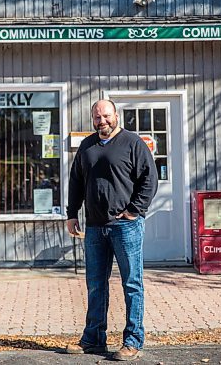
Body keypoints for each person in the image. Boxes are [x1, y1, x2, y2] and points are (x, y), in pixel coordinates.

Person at [66, 99, 158, 361]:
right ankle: (94, 339)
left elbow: (149, 181)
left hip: (125, 226)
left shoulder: (133, 143)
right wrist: (72, 213)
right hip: (95, 228)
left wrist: (133, 210)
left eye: (106, 116)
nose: (102, 121)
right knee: (95, 285)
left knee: (132, 284)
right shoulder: (87, 145)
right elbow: (76, 182)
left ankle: (133, 341)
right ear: (92, 119)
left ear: (116, 116)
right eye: (97, 117)